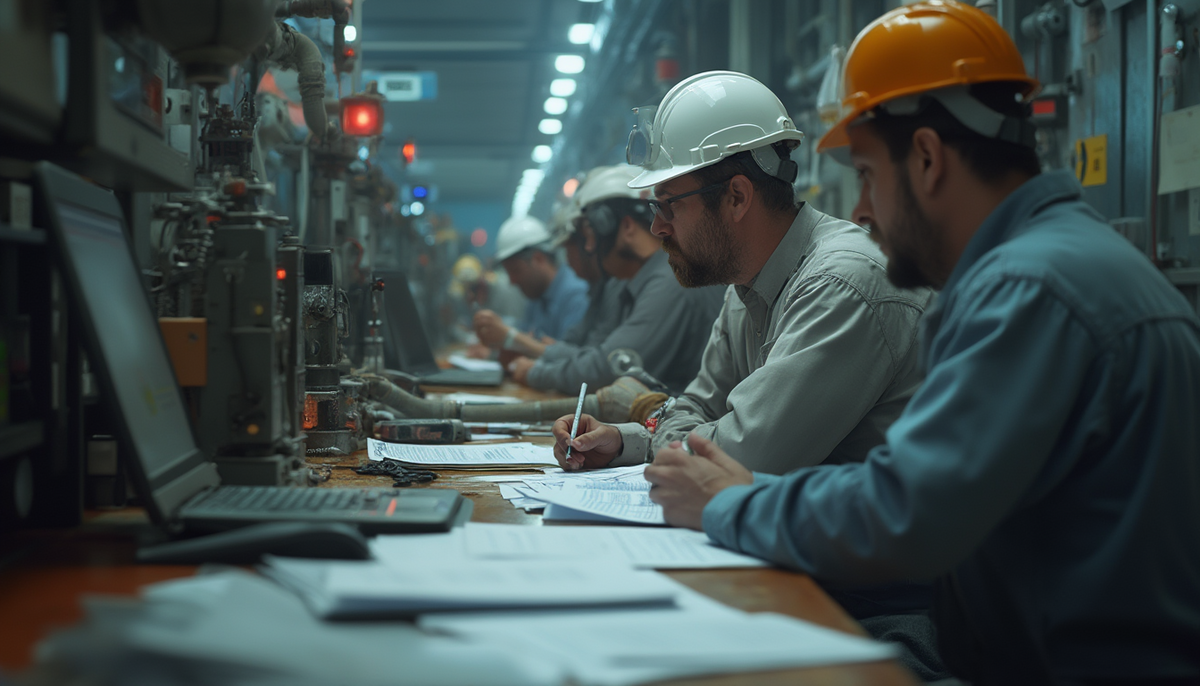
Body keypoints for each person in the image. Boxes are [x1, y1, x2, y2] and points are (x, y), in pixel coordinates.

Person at [642, 3, 1200, 684]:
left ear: (929, 158)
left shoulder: (1030, 289)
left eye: (870, 175)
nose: (860, 211)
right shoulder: (1047, 266)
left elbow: (905, 510)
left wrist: (732, 502)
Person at [552, 71, 933, 478]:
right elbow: (698, 408)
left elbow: (742, 456)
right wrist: (626, 440)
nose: (657, 228)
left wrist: (666, 436)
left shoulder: (840, 284)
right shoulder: (745, 285)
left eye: (668, 206)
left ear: (736, 197)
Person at [511, 165, 725, 395]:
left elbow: (608, 370)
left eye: (591, 236)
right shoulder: (636, 283)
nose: (590, 248)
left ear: (627, 227)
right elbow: (596, 353)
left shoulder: (670, 282)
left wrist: (533, 372)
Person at [471, 215, 589, 362]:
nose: (512, 282)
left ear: (538, 259)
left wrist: (509, 337)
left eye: (515, 271)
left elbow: (570, 363)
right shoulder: (536, 297)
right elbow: (527, 346)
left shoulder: (576, 294)